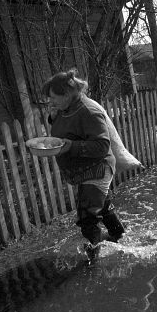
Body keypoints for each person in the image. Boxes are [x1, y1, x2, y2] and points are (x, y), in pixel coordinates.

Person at [42, 69, 125, 261]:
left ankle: (94, 258)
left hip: (98, 169)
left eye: (54, 98)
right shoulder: (65, 108)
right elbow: (70, 128)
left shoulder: (89, 111)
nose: (50, 102)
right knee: (100, 205)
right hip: (84, 170)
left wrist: (71, 146)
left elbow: (102, 145)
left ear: (68, 94)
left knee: (87, 215)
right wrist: (53, 117)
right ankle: (120, 236)